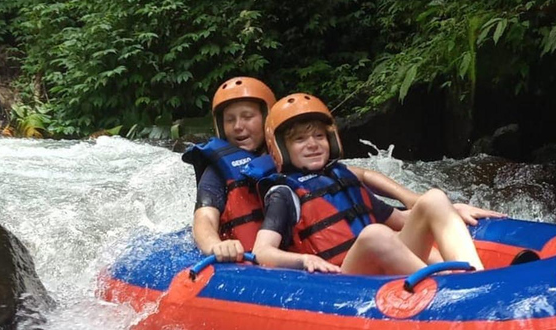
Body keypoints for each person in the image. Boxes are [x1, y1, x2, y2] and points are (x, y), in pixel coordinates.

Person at [182, 77, 430, 262]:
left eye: (247, 116)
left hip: (302, 247)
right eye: (230, 120)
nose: (238, 126)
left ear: (268, 118)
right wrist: (216, 246)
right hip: (257, 257)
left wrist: (411, 199)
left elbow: (355, 177)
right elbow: (204, 219)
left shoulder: (291, 154)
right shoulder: (217, 173)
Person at [252, 93, 502, 274]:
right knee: (374, 234)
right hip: (343, 279)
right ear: (281, 149)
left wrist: (452, 210)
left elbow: (403, 220)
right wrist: (303, 260)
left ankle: (473, 279)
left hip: (382, 267)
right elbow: (262, 251)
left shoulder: (343, 178)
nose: (313, 144)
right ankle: (443, 289)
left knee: (433, 198)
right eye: (300, 139)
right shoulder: (284, 194)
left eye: (319, 136)